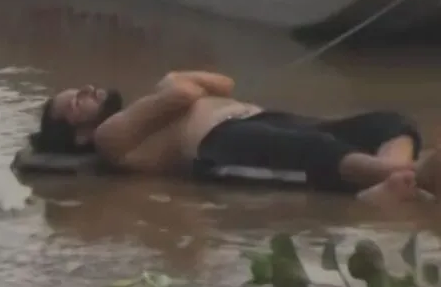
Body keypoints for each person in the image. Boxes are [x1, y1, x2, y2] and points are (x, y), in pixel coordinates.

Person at [29, 71, 441, 204]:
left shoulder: (147, 102)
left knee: (387, 122)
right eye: (75, 104)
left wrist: (179, 81)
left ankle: (392, 181)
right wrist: (176, 79)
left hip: (259, 118)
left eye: (80, 90)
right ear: (78, 136)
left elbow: (224, 83)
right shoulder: (107, 137)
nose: (86, 92)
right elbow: (186, 93)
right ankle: (413, 174)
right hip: (219, 143)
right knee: (316, 150)